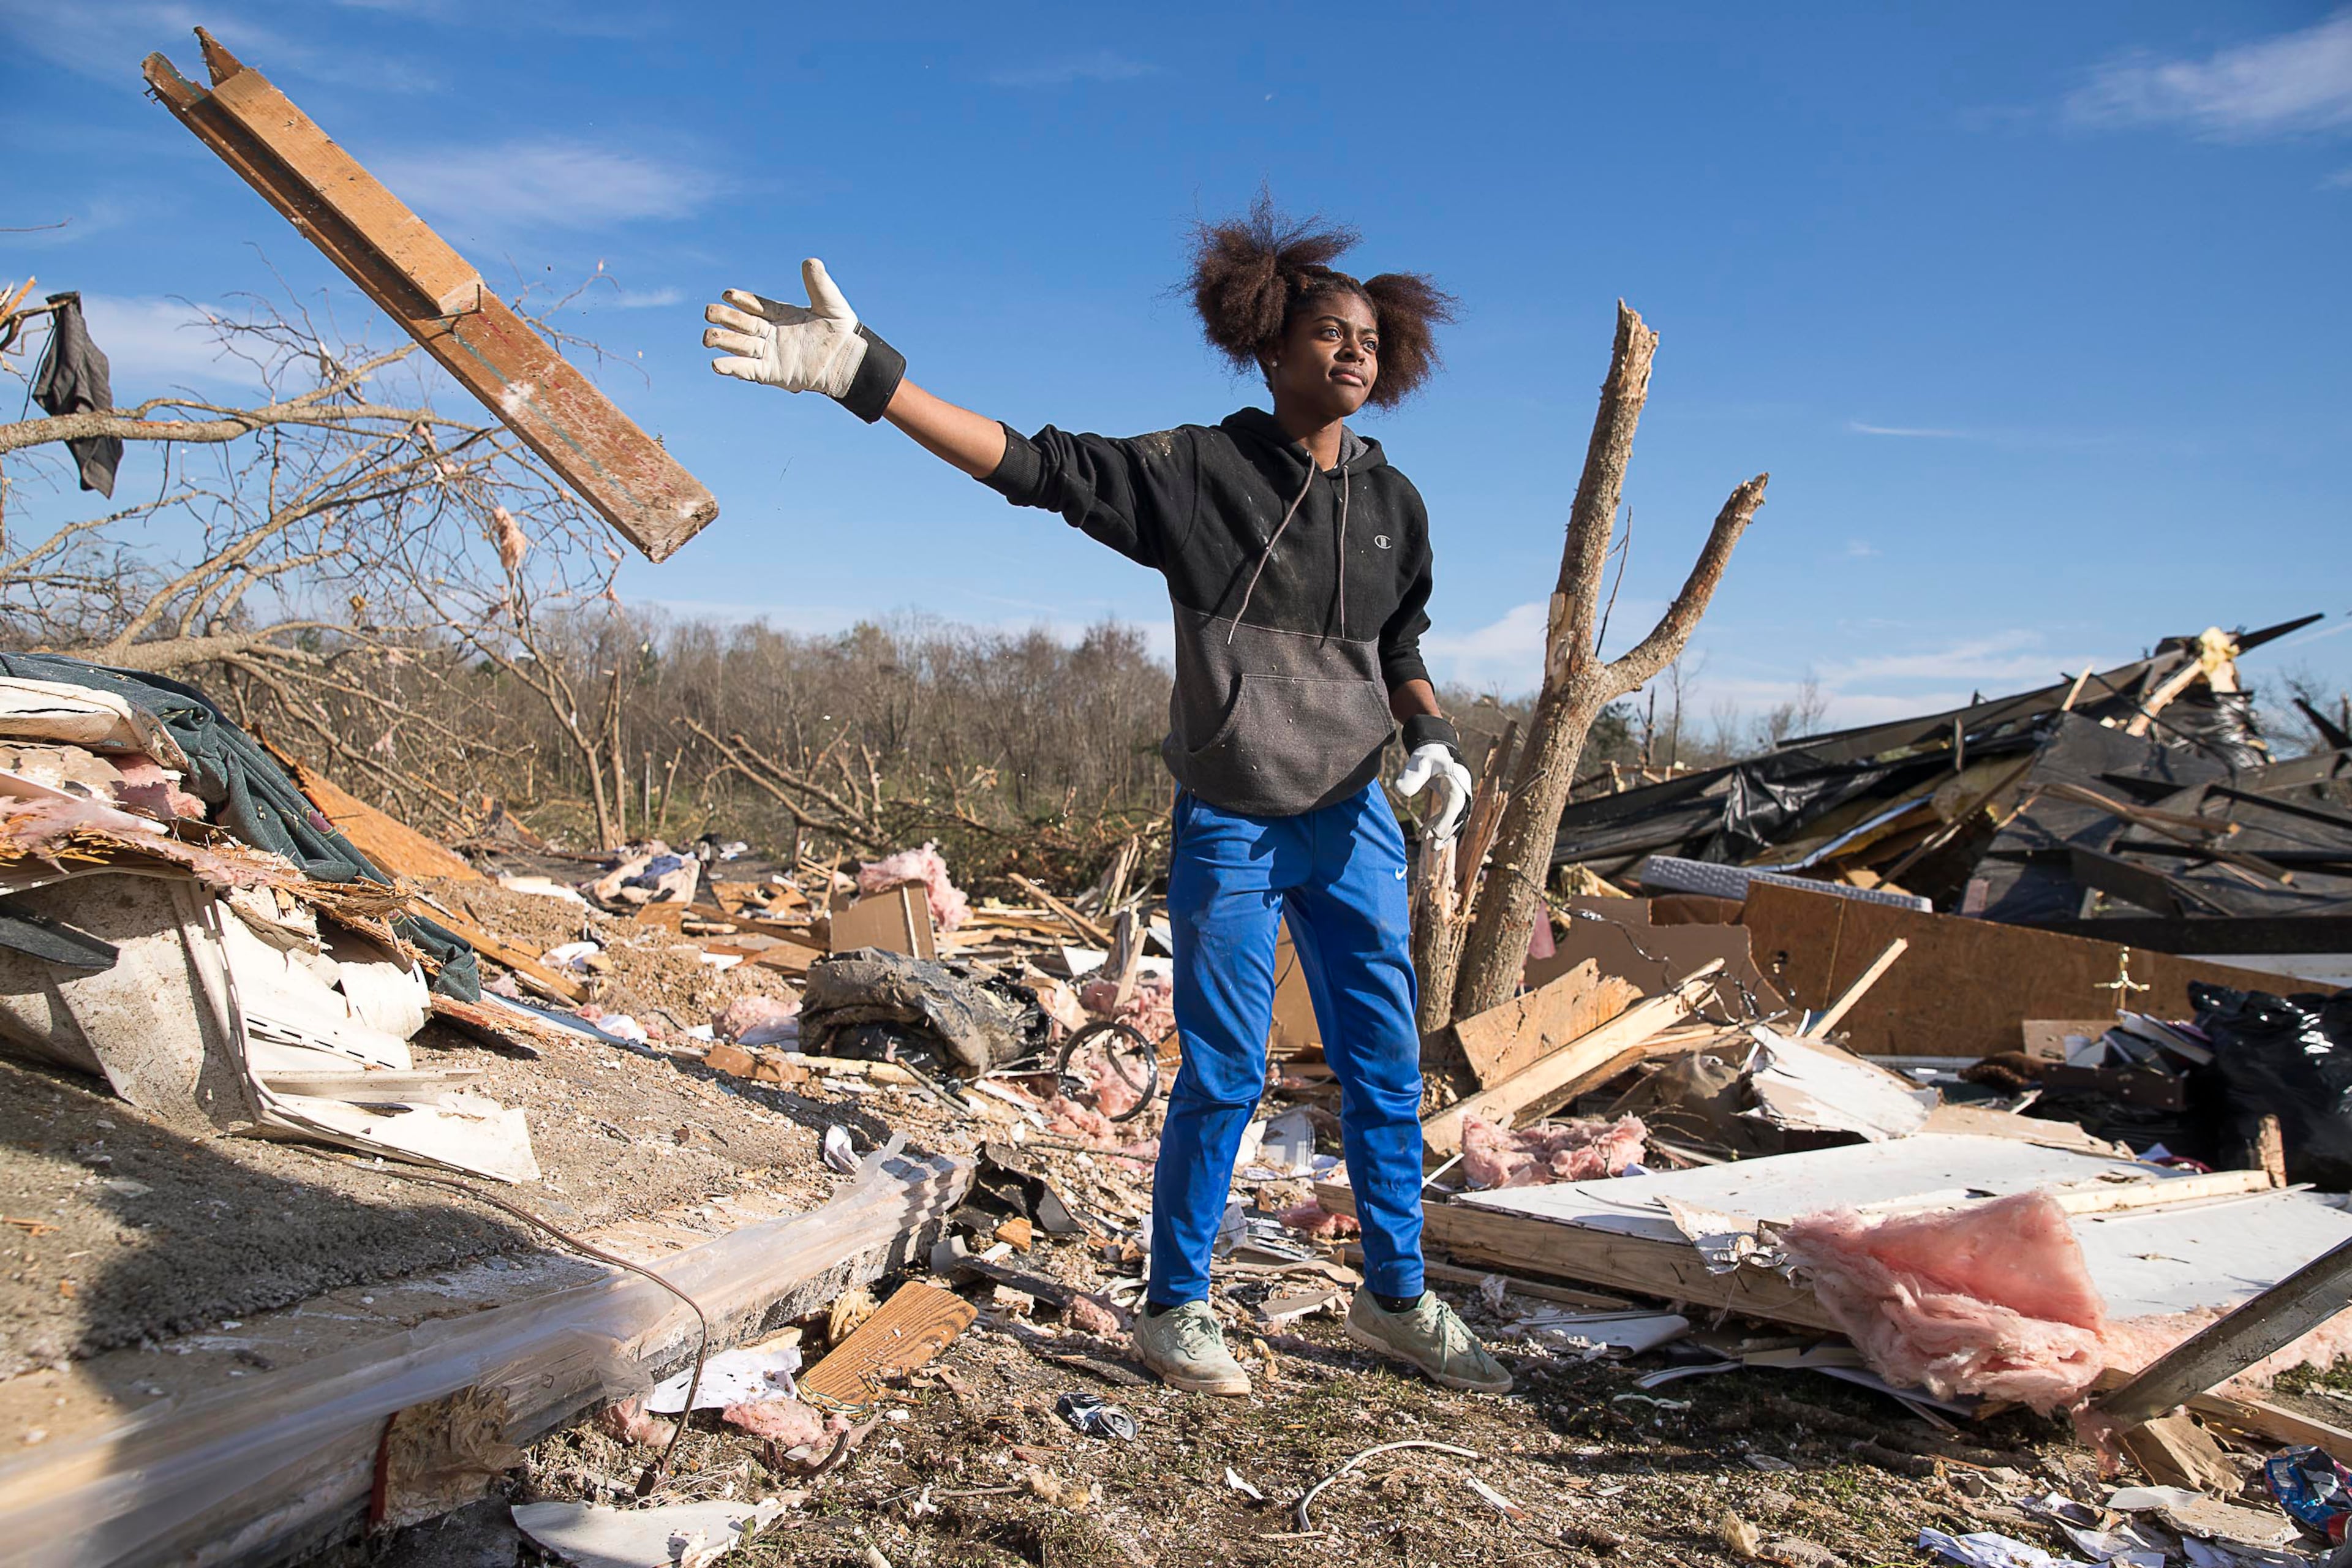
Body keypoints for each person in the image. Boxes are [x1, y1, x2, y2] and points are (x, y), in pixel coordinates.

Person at [700, 200, 1510, 1398]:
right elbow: (1033, 465)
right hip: (1232, 820)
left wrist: (1431, 735)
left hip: (1353, 825)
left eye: (1371, 339)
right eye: (1330, 331)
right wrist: (865, 376)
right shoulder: (1202, 473)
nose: (1354, 350)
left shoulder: (1397, 506)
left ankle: (1396, 1297)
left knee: (1385, 1067)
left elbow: (1402, 641)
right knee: (1227, 1070)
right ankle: (1176, 1307)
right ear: (1272, 349)